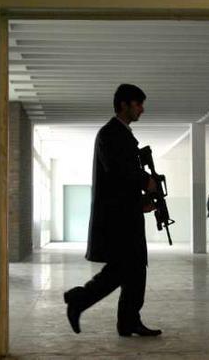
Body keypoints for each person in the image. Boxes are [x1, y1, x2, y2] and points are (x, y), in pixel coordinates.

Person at [63, 84, 162, 337]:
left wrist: (140, 202)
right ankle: (81, 299)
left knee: (134, 268)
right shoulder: (110, 134)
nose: (142, 109)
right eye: (138, 104)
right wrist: (145, 181)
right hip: (117, 218)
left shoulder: (121, 134)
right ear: (124, 105)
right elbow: (118, 171)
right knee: (125, 267)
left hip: (125, 213)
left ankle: (127, 320)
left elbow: (121, 178)